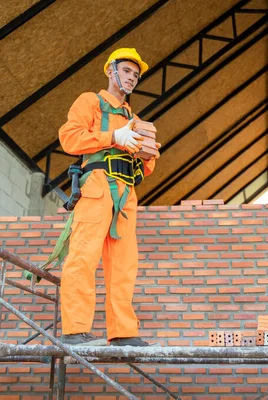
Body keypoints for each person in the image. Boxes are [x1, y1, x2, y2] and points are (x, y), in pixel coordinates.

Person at [57, 48, 160, 346]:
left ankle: (123, 332)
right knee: (83, 256)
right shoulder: (90, 101)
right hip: (97, 187)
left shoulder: (135, 119)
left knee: (124, 265)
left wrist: (147, 151)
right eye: (127, 71)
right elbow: (70, 137)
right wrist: (113, 137)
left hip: (126, 194)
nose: (132, 78)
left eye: (136, 75)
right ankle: (75, 329)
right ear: (110, 71)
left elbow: (148, 165)